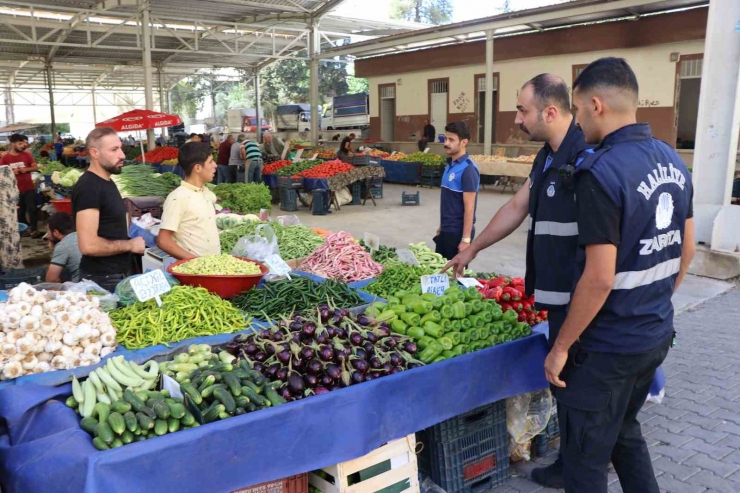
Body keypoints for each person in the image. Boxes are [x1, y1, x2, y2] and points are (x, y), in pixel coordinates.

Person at [544, 57, 695, 493]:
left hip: (607, 349)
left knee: (583, 460)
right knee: (624, 433)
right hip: (653, 335)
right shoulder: (671, 158)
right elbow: (686, 250)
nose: (577, 122)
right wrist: (654, 302)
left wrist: (561, 347)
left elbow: (599, 278)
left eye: (577, 109)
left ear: (596, 105)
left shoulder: (600, 172)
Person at [442, 74, 591, 488]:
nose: (517, 118)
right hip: (556, 295)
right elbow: (516, 206)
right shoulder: (547, 156)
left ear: (550, 111)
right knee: (566, 387)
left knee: (581, 387)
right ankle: (570, 462)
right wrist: (472, 249)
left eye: (522, 109)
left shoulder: (587, 157)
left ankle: (586, 464)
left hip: (584, 297)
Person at [72, 127, 146, 292]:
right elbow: (88, 245)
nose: (122, 155)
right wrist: (130, 245)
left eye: (121, 148)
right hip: (103, 279)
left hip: (115, 274)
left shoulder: (106, 181)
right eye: (114, 150)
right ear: (95, 153)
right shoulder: (88, 187)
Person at [157, 142, 220, 259]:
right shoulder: (178, 198)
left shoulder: (205, 192)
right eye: (210, 162)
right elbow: (163, 240)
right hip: (196, 272)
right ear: (197, 168)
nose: (215, 165)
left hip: (212, 268)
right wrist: (195, 262)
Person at [434, 121, 479, 261]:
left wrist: (466, 239)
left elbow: (470, 208)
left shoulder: (468, 169)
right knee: (441, 273)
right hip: (446, 230)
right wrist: (441, 226)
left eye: (451, 140)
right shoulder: (449, 165)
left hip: (458, 233)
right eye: (445, 139)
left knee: (455, 278)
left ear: (464, 142)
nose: (446, 143)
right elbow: (449, 201)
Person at [0, 134, 41, 238]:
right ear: (13, 144)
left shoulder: (27, 155)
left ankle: (34, 229)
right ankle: (25, 229)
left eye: (23, 143)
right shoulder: (5, 158)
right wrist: (12, 172)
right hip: (14, 190)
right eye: (20, 143)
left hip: (29, 187)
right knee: (20, 210)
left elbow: (35, 167)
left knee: (32, 208)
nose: (23, 145)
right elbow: (2, 174)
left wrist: (26, 169)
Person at [45, 212, 82, 283]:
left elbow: (51, 280)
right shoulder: (81, 235)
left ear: (56, 232)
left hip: (80, 287)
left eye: (48, 231)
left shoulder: (63, 246)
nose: (48, 234)